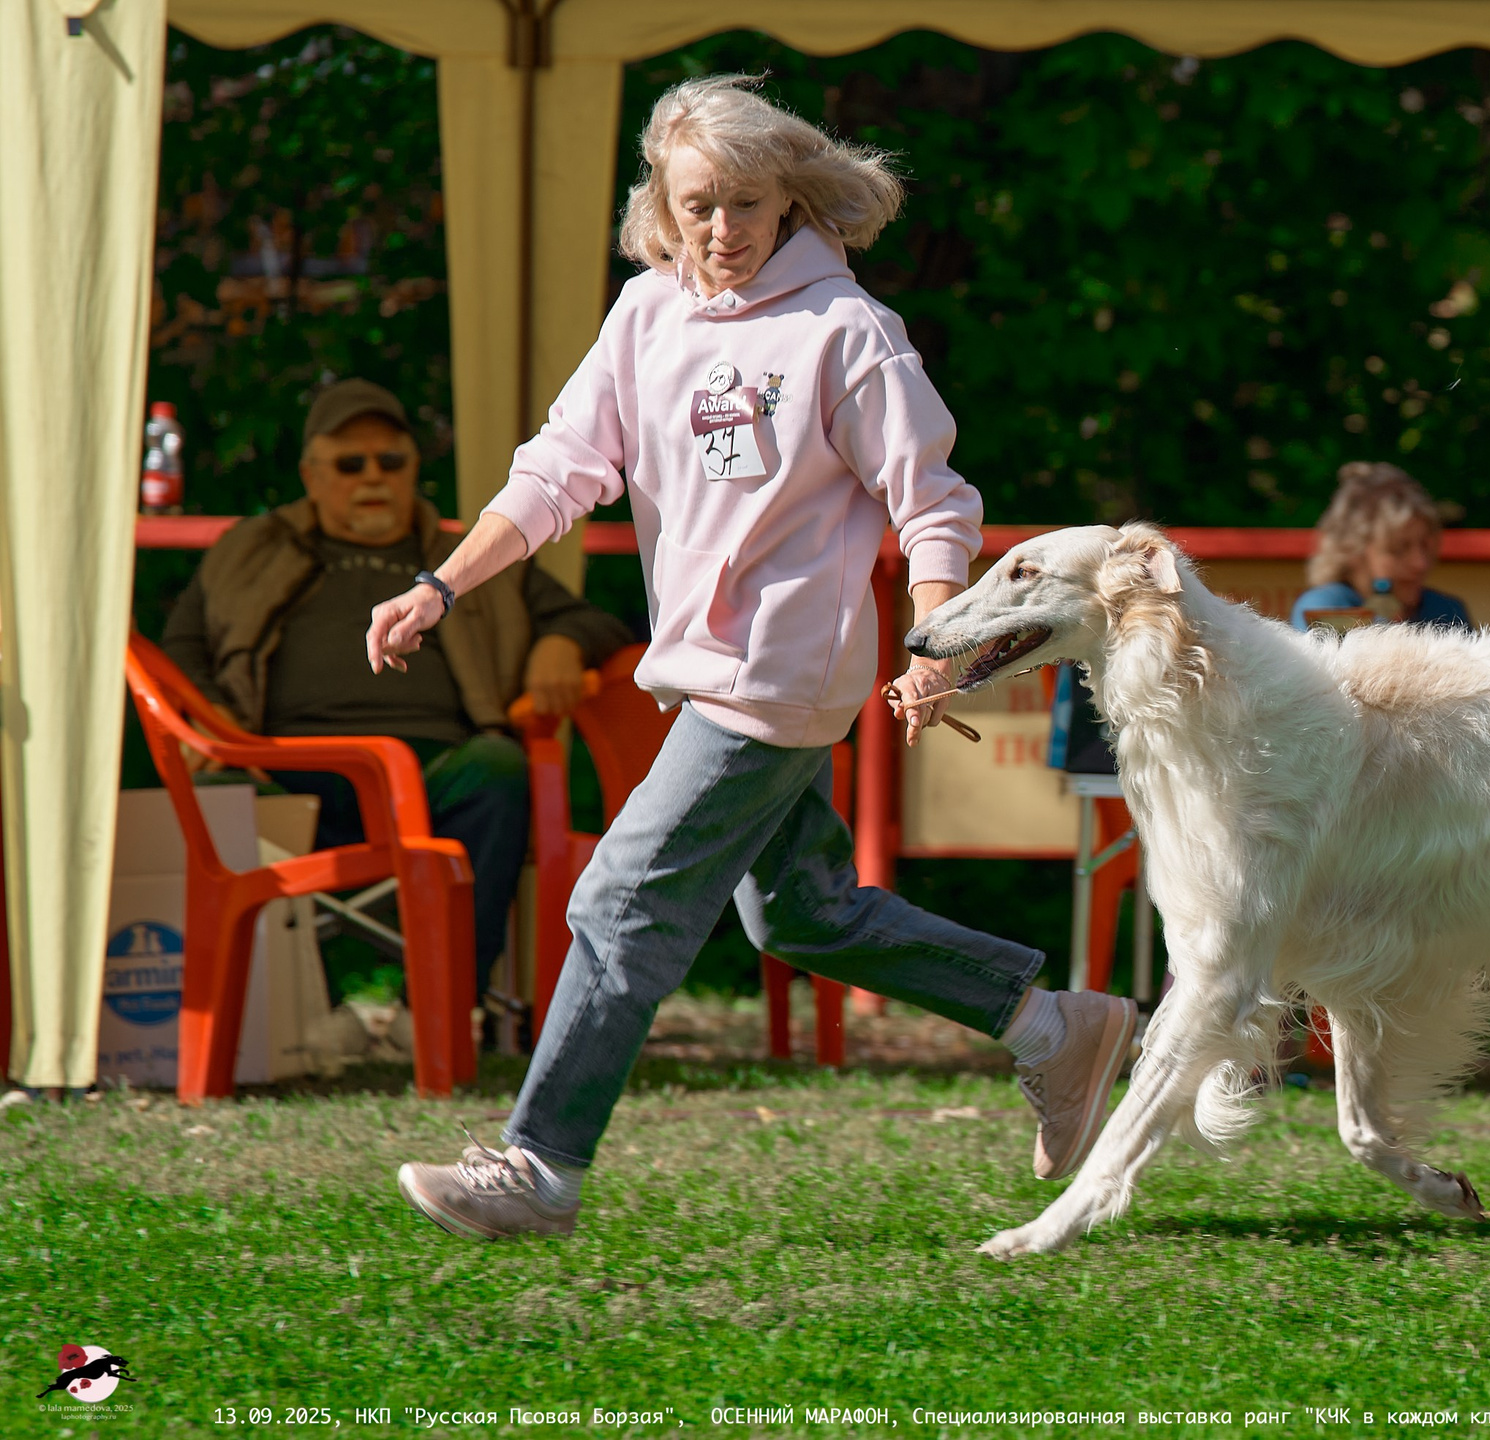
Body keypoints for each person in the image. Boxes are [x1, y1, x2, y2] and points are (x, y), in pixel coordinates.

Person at [377, 76, 1139, 1240]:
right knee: (802, 915)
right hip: (705, 668)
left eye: (745, 203)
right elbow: (557, 471)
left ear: (791, 201)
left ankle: (538, 1166)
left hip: (779, 679)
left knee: (622, 901)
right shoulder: (644, 317)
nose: (721, 229)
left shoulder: (846, 333)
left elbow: (930, 502)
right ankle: (1054, 1028)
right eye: (697, 206)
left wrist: (936, 642)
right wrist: (441, 585)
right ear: (660, 207)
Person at [160, 379, 632, 1021]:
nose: (372, 478)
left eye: (391, 462)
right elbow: (181, 650)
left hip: (434, 771)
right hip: (280, 766)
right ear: (310, 475)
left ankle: (439, 1011)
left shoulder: (461, 557)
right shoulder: (252, 550)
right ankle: (281, 1024)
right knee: (217, 797)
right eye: (350, 465)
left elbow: (593, 621)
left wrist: (563, 644)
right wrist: (213, 727)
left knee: (498, 767)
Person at [1287, 462, 1474, 632]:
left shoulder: (1447, 612)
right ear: (1352, 549)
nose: (1420, 563)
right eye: (1398, 549)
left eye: (1425, 546)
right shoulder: (1324, 609)